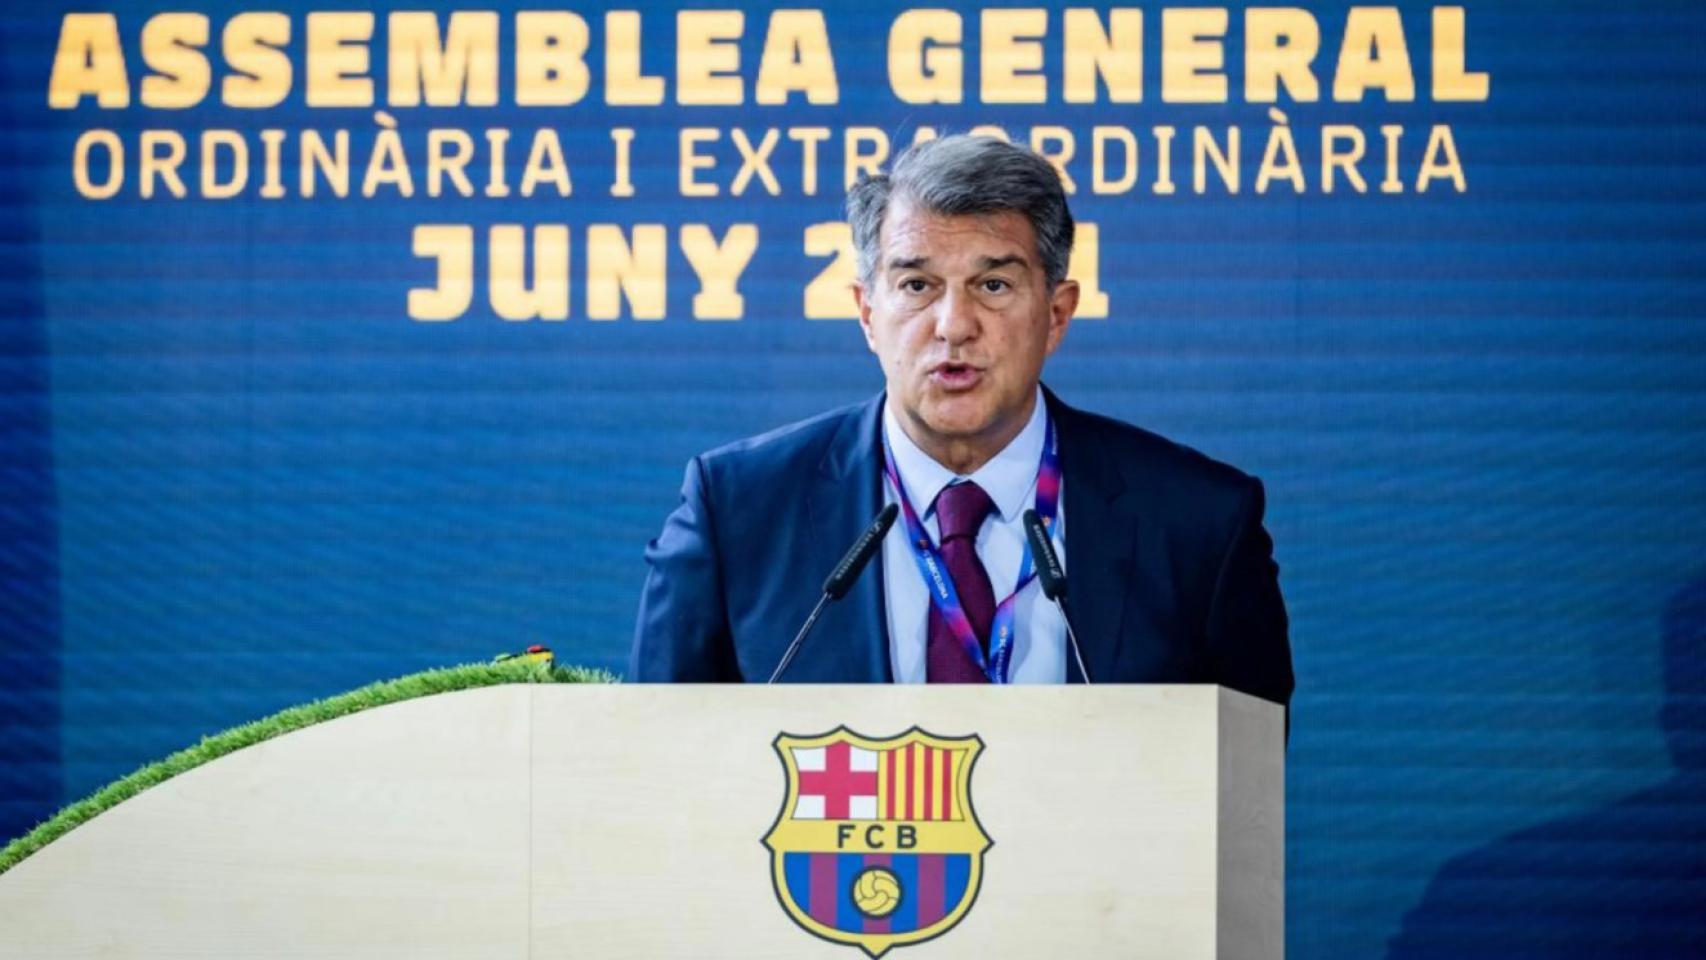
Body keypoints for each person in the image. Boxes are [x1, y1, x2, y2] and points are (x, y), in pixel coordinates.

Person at [630, 134, 1292, 706]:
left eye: (994, 285)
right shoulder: (738, 513)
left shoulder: (1199, 525)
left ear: (1057, 314)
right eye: (917, 285)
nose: (953, 326)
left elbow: (1239, 804)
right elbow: (658, 771)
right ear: (867, 313)